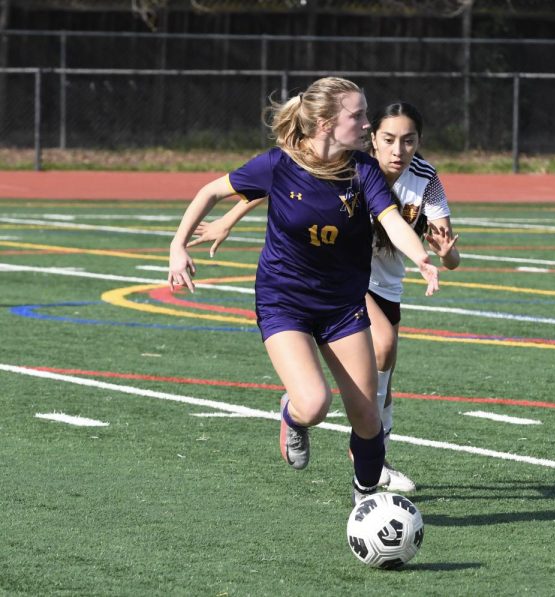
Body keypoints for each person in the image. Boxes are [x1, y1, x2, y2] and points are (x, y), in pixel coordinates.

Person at [166, 77, 440, 505]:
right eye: (359, 115)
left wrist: (420, 256)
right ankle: (291, 416)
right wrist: (177, 247)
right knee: (313, 405)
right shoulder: (279, 164)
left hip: (342, 304)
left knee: (367, 418)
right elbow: (212, 191)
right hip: (284, 300)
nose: (368, 124)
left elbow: (389, 219)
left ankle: (366, 498)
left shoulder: (362, 170)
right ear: (327, 123)